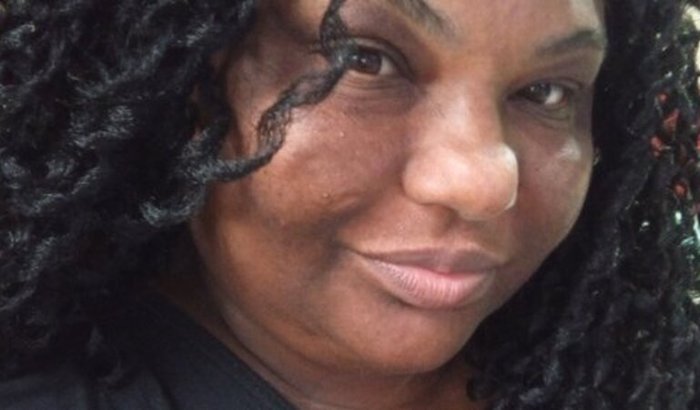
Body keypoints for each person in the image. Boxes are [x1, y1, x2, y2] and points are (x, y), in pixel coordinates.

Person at [1, 0, 699, 408]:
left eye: (546, 93)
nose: (483, 183)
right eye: (364, 60)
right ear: (191, 80)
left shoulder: (634, 377)